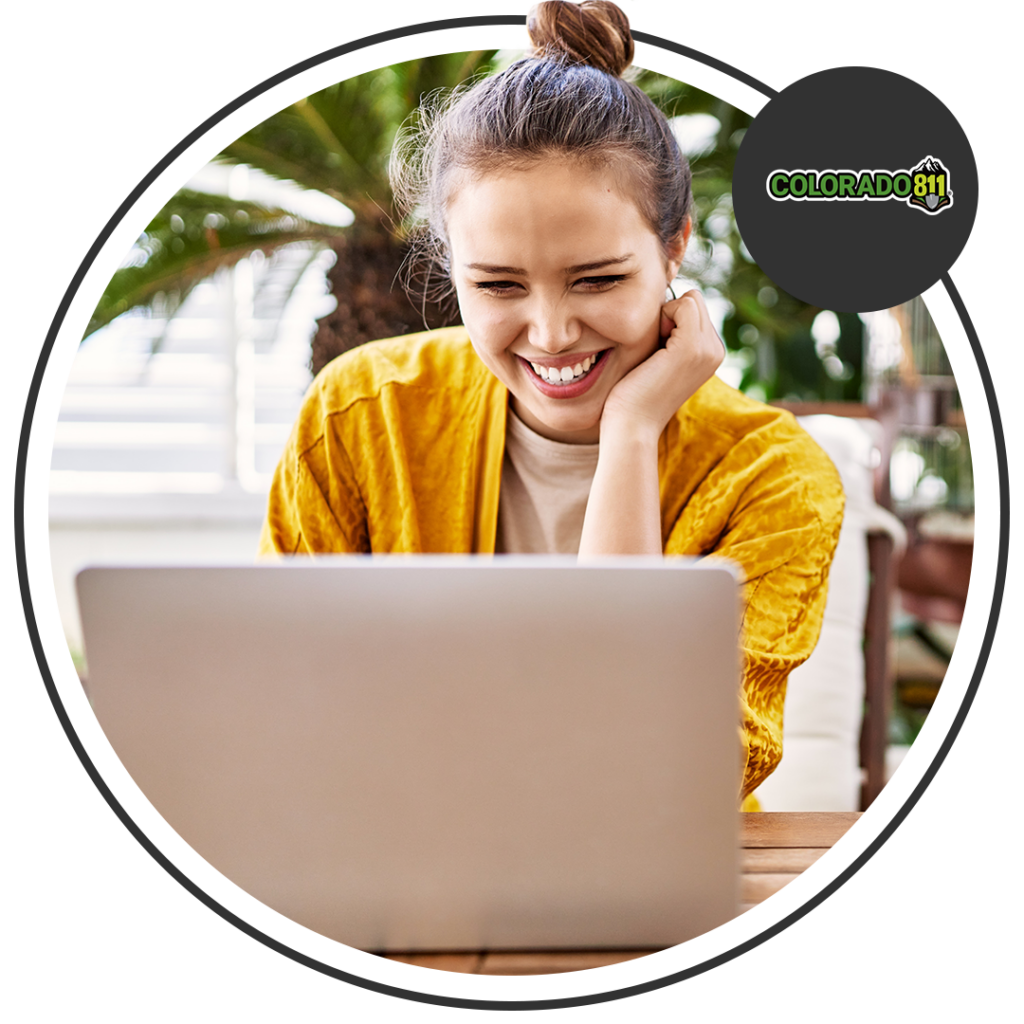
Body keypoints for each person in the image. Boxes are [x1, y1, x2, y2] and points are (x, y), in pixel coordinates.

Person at [258, 0, 844, 807]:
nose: (552, 333)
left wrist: (633, 432)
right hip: (393, 859)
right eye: (496, 285)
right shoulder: (361, 415)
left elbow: (668, 775)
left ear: (675, 245)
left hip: (655, 892)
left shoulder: (772, 479)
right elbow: (277, 713)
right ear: (448, 264)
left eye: (598, 279)